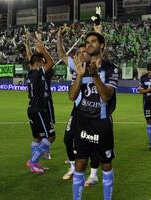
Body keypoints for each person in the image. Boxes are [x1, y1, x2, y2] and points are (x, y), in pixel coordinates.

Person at [69, 31, 118, 199]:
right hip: (82, 123)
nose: (88, 45)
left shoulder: (111, 69)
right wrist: (79, 76)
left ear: (101, 45)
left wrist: (95, 75)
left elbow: (106, 96)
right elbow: (72, 96)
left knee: (106, 164)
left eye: (93, 42)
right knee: (80, 163)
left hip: (102, 124)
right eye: (86, 42)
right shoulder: (80, 66)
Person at [57, 27, 100, 185]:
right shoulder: (76, 66)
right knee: (68, 139)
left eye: (84, 52)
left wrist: (98, 29)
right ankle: (73, 167)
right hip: (77, 110)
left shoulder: (95, 68)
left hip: (94, 110)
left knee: (94, 142)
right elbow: (61, 54)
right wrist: (59, 38)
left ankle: (94, 174)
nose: (81, 54)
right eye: (79, 52)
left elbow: (100, 50)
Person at [24, 36, 55, 174]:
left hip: (32, 109)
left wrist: (29, 49)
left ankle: (34, 165)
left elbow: (32, 59)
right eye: (41, 63)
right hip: (39, 109)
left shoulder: (31, 74)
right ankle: (33, 161)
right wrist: (43, 50)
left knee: (37, 137)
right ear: (37, 64)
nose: (44, 65)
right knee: (51, 136)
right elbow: (51, 62)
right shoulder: (37, 73)